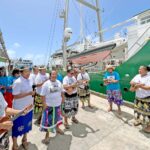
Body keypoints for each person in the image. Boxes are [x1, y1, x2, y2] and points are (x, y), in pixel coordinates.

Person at [12, 66, 35, 150]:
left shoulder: (30, 80)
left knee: (26, 126)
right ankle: (14, 145)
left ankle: (24, 140)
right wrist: (28, 93)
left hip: (29, 108)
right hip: (19, 109)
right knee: (16, 127)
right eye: (26, 72)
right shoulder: (17, 82)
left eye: (29, 71)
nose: (28, 73)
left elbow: (31, 92)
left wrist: (32, 96)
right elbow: (15, 96)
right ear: (21, 72)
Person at [40, 70, 64, 144]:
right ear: (50, 75)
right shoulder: (46, 84)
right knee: (48, 122)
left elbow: (62, 92)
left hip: (57, 105)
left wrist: (63, 99)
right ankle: (47, 136)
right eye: (53, 74)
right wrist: (44, 104)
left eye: (55, 74)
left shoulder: (59, 82)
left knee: (57, 118)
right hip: (49, 106)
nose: (54, 75)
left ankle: (57, 129)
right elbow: (42, 95)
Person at [130, 66, 150, 133]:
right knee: (138, 111)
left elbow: (148, 87)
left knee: (147, 113)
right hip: (138, 97)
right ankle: (139, 121)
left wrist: (139, 86)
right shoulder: (137, 75)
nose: (139, 70)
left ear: (146, 70)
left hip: (146, 98)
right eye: (139, 69)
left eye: (141, 69)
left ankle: (149, 127)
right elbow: (131, 82)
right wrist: (136, 84)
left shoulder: (149, 77)